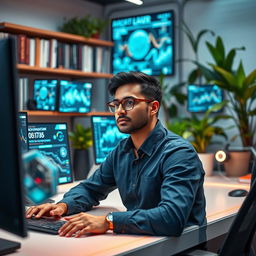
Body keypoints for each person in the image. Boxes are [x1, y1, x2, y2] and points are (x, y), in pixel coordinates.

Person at [26, 71, 206, 237]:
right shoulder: (122, 151)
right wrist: (62, 206)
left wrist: (109, 221)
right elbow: (91, 188)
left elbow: (171, 218)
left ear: (153, 108)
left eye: (129, 103)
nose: (119, 111)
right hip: (139, 242)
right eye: (116, 104)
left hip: (178, 249)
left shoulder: (178, 153)